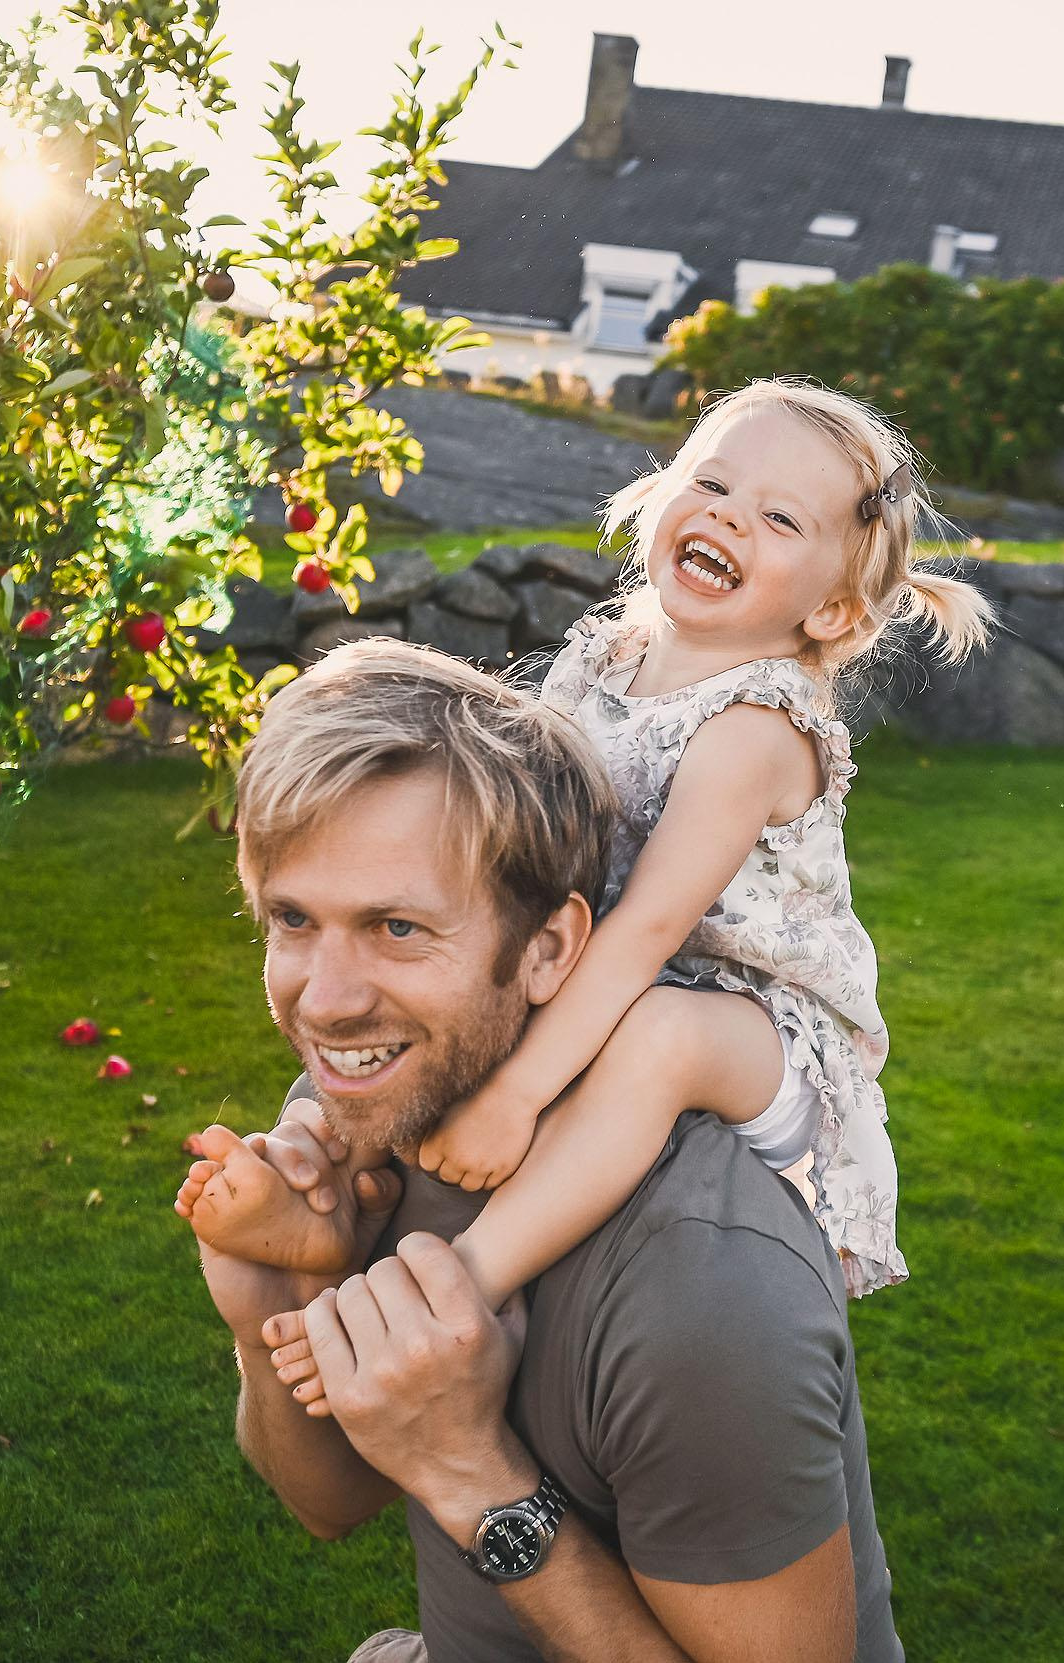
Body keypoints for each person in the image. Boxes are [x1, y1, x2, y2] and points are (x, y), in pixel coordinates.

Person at [215, 379, 991, 1416]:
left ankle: (460, 1283)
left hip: (760, 1022)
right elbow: (513, 810)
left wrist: (520, 1091)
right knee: (454, 977)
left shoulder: (758, 726)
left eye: (777, 517)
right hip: (619, 965)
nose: (725, 515)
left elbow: (651, 928)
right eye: (711, 482)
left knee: (657, 1034)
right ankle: (330, 1183)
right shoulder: (609, 652)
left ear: (833, 608)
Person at [176, 638, 900, 1660]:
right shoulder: (381, 1106)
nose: (325, 1001)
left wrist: (472, 1473)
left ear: (552, 947)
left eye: (394, 928)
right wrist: (270, 1309)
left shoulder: (703, 1297)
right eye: (293, 919)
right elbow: (329, 1500)